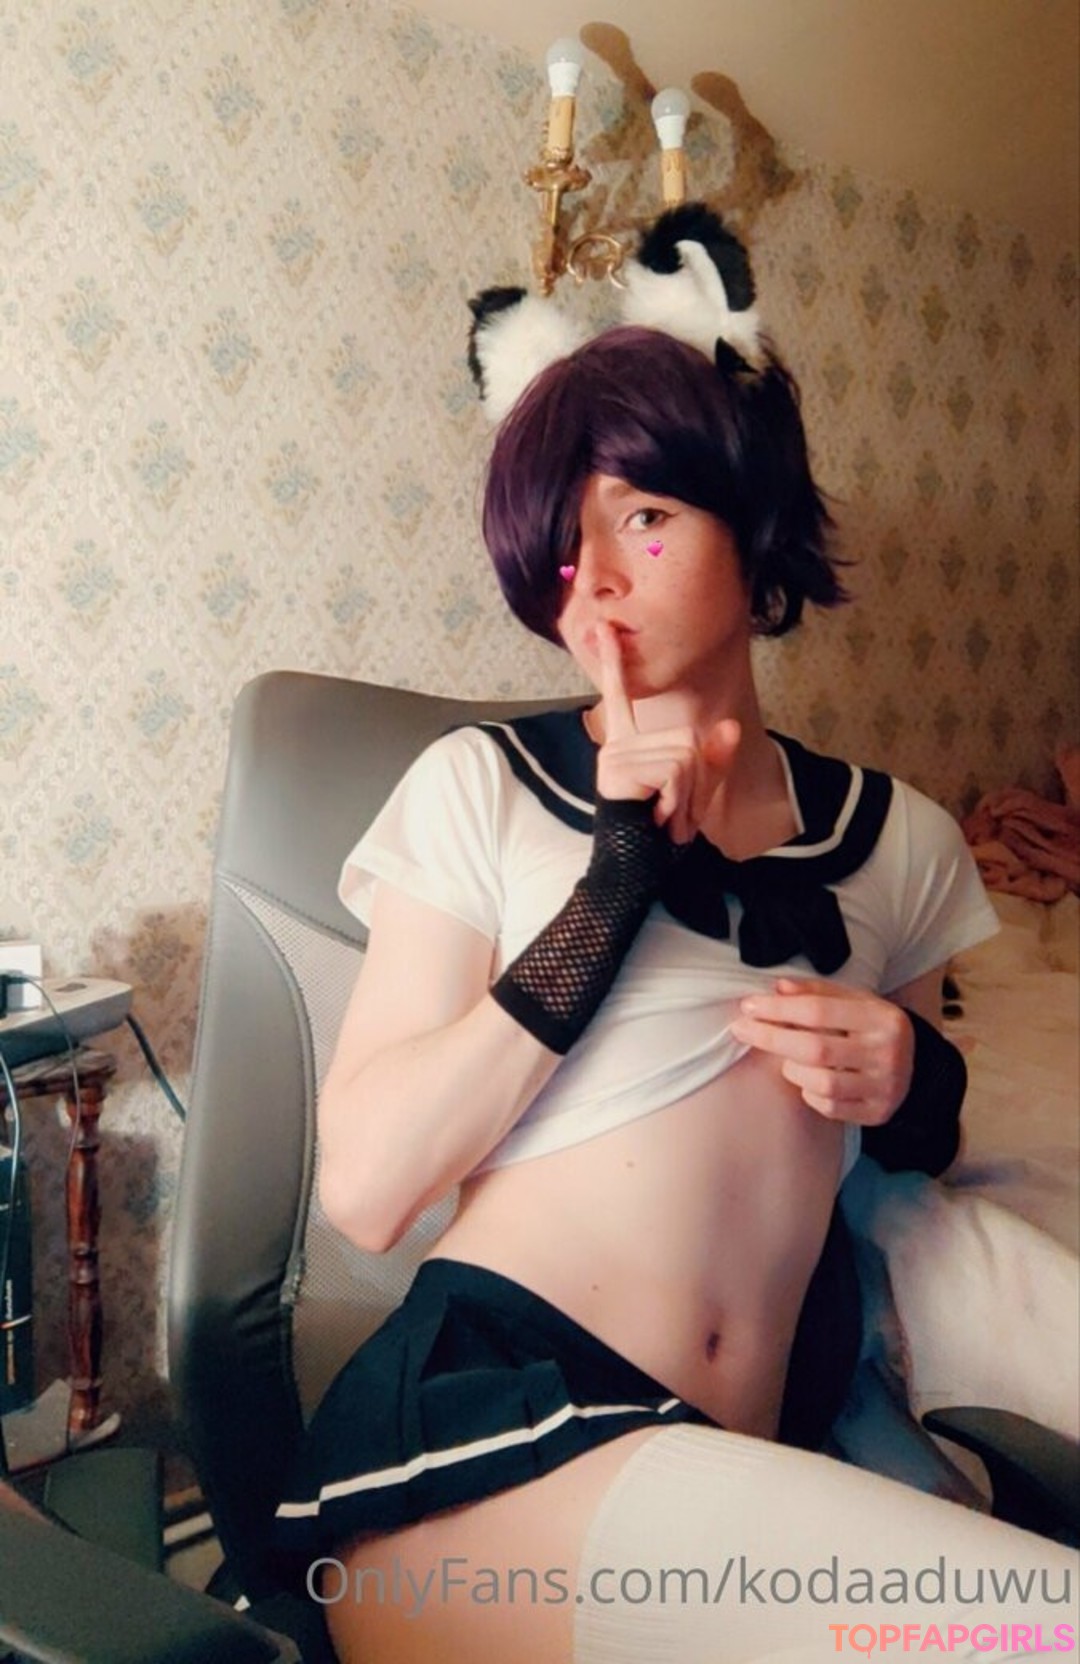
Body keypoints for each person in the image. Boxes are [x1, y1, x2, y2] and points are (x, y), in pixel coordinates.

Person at [276, 211, 1077, 1663]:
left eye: (644, 516)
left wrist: (911, 1076)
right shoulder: (478, 788)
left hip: (745, 1456)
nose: (595, 575)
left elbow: (915, 1155)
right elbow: (371, 1194)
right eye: (562, 538)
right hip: (489, 1442)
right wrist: (612, 883)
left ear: (748, 522)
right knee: (1035, 1635)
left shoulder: (897, 837)